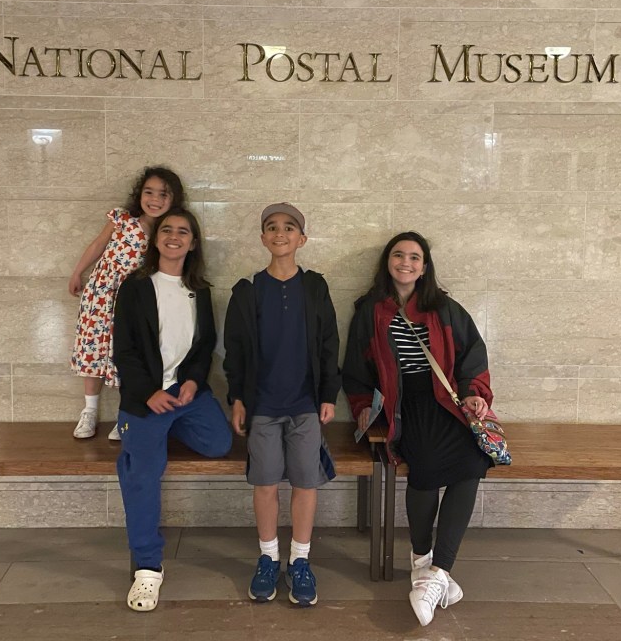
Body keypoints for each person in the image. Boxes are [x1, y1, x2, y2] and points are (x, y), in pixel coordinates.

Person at [342, 231, 494, 627]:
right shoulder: (371, 311)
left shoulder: (445, 309)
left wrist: (474, 395)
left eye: (414, 257)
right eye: (398, 255)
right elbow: (356, 368)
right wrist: (362, 406)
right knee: (424, 464)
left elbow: (472, 356)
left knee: (473, 461)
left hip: (445, 400)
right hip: (403, 403)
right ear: (387, 262)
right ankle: (422, 558)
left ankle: (436, 571)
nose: (405, 263)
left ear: (424, 267)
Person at [112, 208, 233, 612]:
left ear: (193, 243)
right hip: (145, 398)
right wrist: (148, 393)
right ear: (156, 238)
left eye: (183, 231)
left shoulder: (200, 290)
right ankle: (147, 567)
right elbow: (124, 350)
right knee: (142, 473)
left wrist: (194, 381)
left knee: (218, 444)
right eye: (167, 229)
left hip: (185, 395)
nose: (174, 236)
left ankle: (158, 433)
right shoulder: (135, 287)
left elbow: (204, 345)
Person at [224, 203, 341, 607]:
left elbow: (329, 344)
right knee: (266, 483)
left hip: (305, 404)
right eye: (272, 227)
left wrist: (328, 395)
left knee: (306, 482)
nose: (280, 233)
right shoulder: (248, 290)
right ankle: (269, 557)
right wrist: (238, 398)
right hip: (263, 407)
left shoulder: (315, 287)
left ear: (301, 239)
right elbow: (235, 352)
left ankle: (300, 560)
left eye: (289, 228)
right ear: (262, 238)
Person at [68, 166, 185, 440]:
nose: (155, 199)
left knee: (127, 353)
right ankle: (89, 411)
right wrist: (77, 272)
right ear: (139, 194)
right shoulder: (122, 219)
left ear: (174, 199)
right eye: (149, 192)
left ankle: (126, 414)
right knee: (93, 349)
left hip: (133, 298)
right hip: (101, 294)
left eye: (163, 194)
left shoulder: (165, 232)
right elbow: (97, 245)